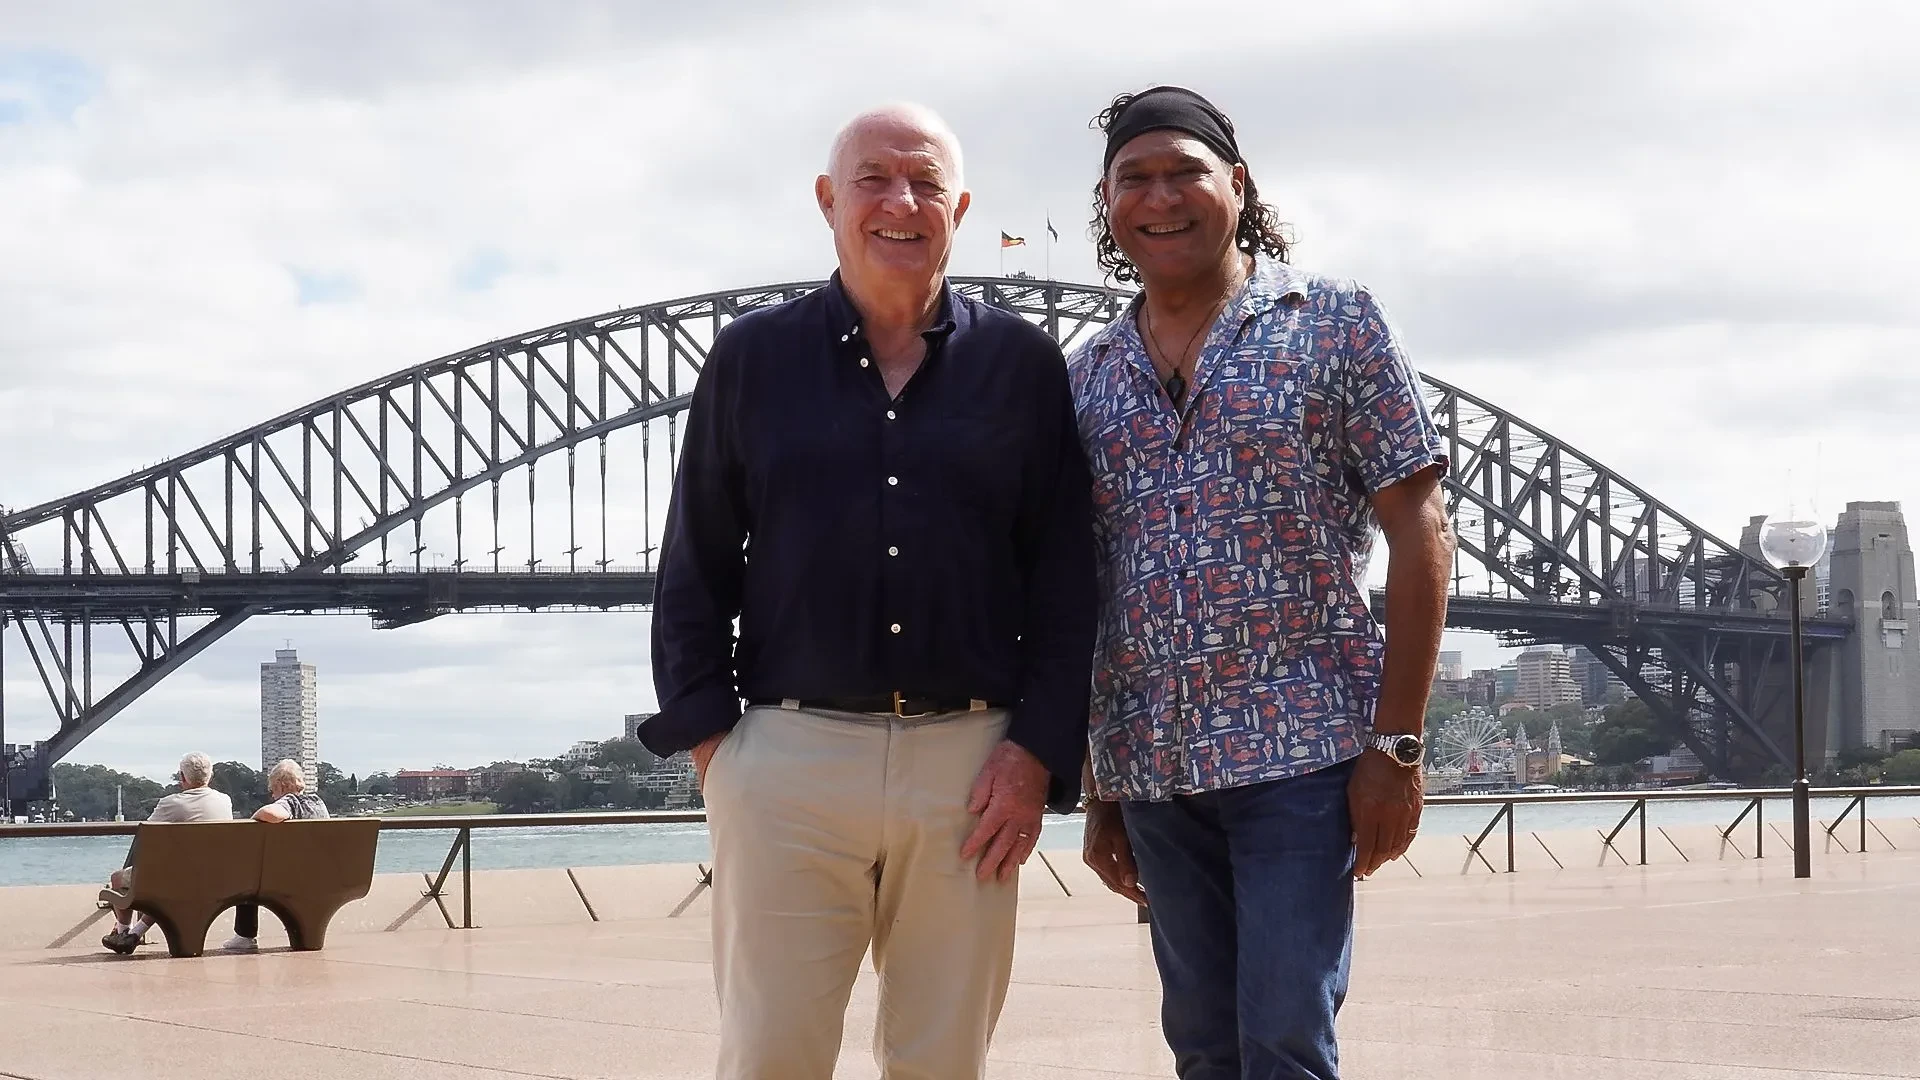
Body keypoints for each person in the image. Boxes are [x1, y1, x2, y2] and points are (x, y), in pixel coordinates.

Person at [641, 103, 1097, 1079]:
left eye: (927, 183)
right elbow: (694, 566)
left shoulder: (1020, 368)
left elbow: (1065, 579)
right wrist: (724, 755)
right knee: (770, 1056)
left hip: (972, 773)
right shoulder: (752, 360)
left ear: (960, 208)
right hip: (788, 763)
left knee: (943, 1063)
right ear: (827, 201)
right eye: (874, 179)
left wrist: (1036, 755)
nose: (901, 202)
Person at [1068, 86, 1455, 1079]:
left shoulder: (1333, 323)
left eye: (1185, 171)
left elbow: (1421, 535)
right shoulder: (1088, 373)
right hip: (1153, 766)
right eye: (1135, 178)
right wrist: (1099, 784)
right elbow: (1087, 583)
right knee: (1202, 1042)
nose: (1162, 196)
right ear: (1109, 204)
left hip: (1304, 757)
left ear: (1237, 185)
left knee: (1284, 1032)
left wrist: (1397, 747)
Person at [99, 751, 234, 954]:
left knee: (119, 878)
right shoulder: (224, 801)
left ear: (182, 777)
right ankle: (135, 933)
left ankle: (123, 931)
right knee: (171, 882)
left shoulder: (171, 803)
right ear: (210, 776)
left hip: (176, 879)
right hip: (216, 878)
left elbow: (146, 836)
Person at [220, 758, 331, 952]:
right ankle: (309, 934)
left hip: (292, 878)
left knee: (247, 876)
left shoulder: (290, 801)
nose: (272, 795)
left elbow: (273, 814)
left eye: (272, 789)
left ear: (281, 785)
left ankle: (245, 936)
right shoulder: (318, 803)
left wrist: (254, 819)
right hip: (321, 874)